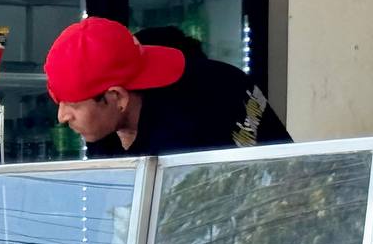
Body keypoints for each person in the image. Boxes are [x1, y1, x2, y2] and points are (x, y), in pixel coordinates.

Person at [44, 16, 291, 157]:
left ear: (117, 97)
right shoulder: (112, 121)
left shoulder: (187, 132)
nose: (62, 116)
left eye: (73, 103)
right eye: (59, 102)